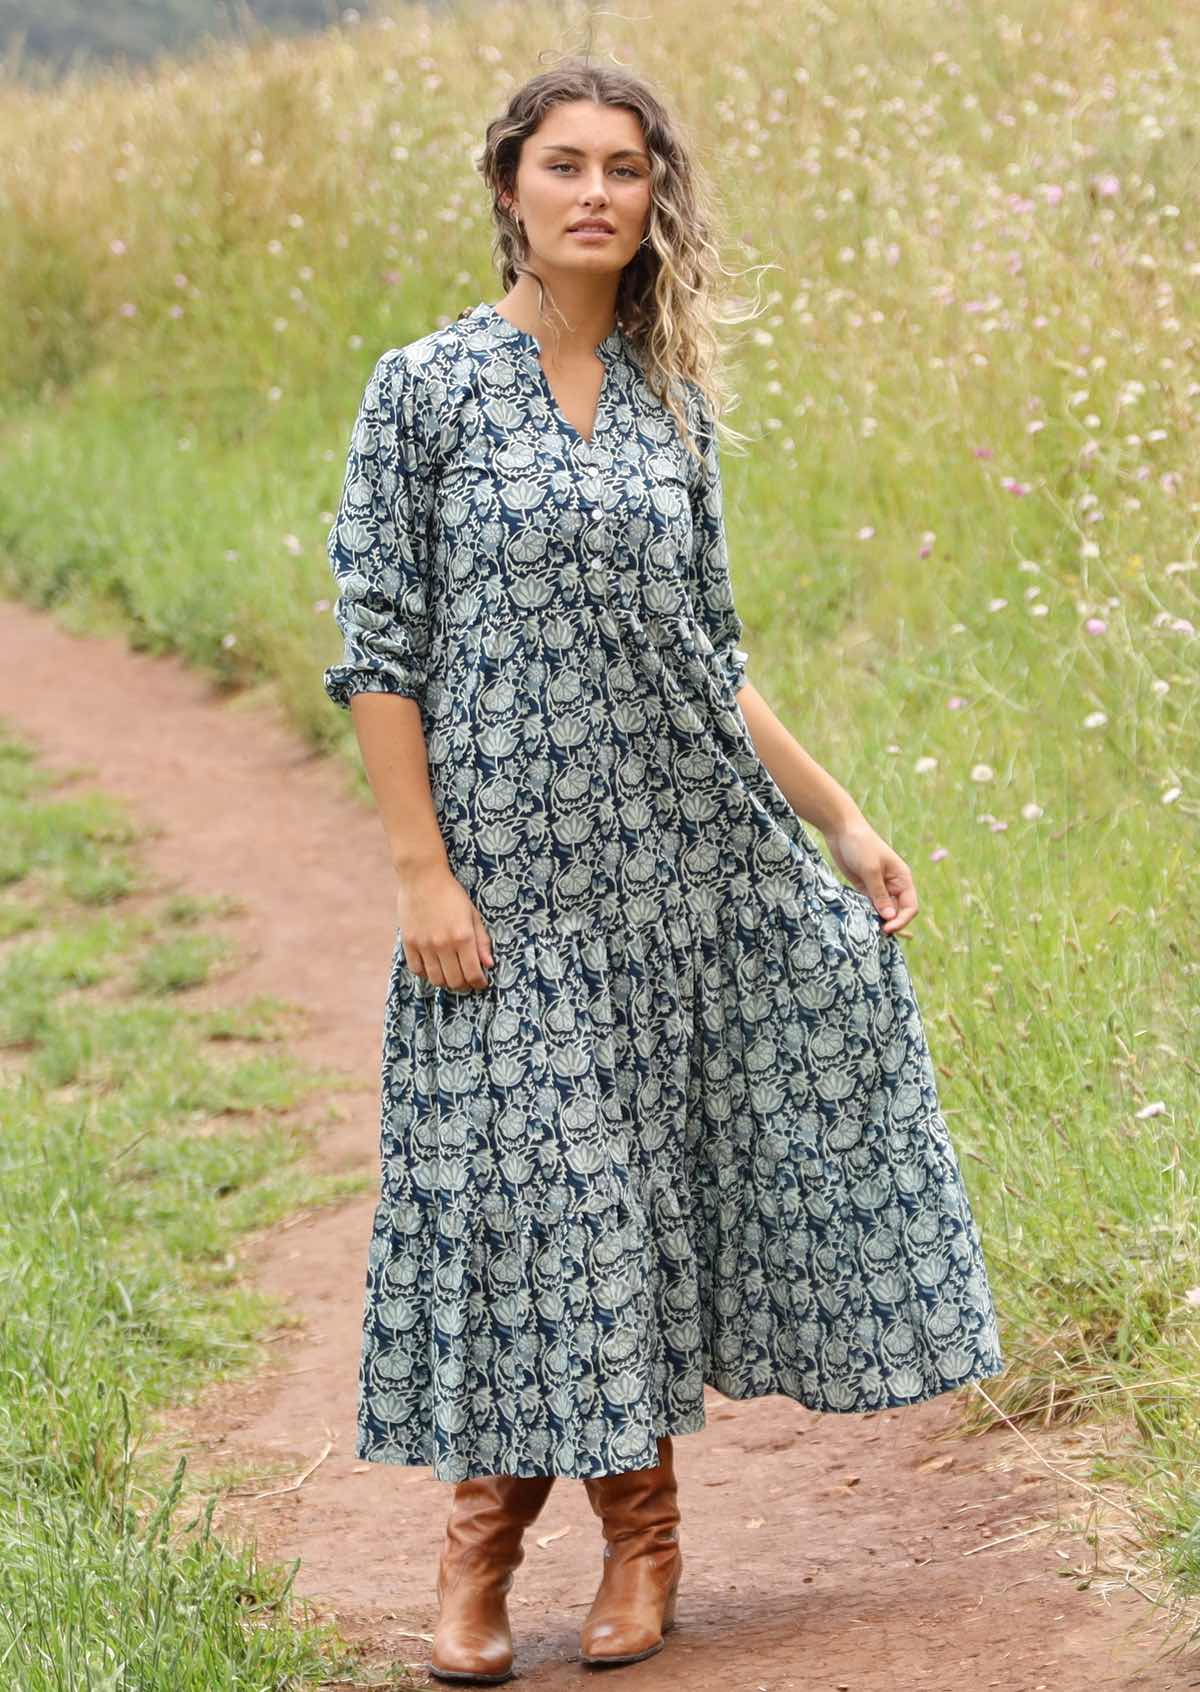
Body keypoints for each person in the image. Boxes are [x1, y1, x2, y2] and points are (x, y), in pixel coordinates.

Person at [321, 54, 1005, 1686]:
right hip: (510, 888)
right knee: (533, 1208)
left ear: (653, 200)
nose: (595, 193)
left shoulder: (670, 407)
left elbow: (711, 659)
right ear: (509, 186)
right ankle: (483, 1549)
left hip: (677, 875)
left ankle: (643, 1544)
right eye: (564, 164)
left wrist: (841, 818)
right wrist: (421, 873)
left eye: (623, 169)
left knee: (621, 1210)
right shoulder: (424, 389)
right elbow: (377, 650)